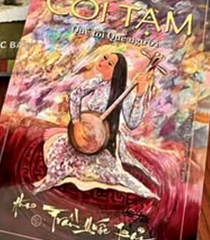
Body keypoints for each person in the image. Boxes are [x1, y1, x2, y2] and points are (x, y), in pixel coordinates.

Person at [32, 50, 159, 199]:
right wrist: (76, 121)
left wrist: (140, 94)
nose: (103, 62)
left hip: (103, 139)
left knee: (116, 175)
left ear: (116, 72)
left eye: (109, 63)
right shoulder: (97, 82)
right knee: (59, 155)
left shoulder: (123, 91)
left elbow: (132, 123)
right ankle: (49, 180)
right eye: (105, 57)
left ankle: (149, 194)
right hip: (83, 132)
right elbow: (75, 95)